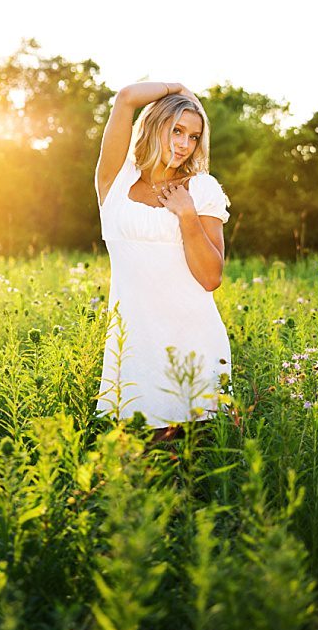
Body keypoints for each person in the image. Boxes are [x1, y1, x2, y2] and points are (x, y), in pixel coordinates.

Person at [92, 82, 231, 435]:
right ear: (155, 127)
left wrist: (186, 216)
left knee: (188, 471)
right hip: (134, 349)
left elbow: (210, 277)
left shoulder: (201, 189)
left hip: (192, 344)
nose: (185, 144)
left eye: (194, 137)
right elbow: (125, 98)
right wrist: (176, 88)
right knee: (133, 470)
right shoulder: (115, 183)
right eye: (177, 130)